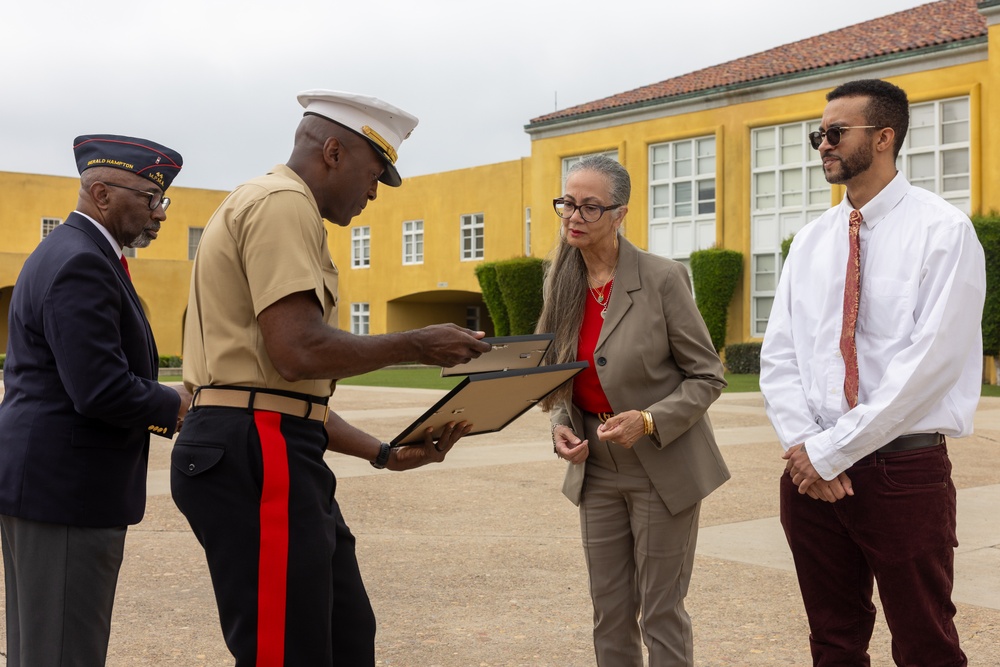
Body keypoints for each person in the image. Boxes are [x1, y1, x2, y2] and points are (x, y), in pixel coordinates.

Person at [172, 89, 492, 667]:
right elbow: (297, 352)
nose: (374, 191)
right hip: (257, 446)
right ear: (335, 152)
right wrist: (418, 344)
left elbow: (286, 390)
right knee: (285, 651)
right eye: (375, 174)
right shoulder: (281, 204)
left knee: (343, 635)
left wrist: (382, 453)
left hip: (267, 435)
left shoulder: (274, 205)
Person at [760, 79, 985, 666]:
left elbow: (928, 367)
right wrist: (808, 449)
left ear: (884, 137)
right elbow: (779, 357)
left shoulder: (944, 232)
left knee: (925, 642)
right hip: (810, 475)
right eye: (819, 134)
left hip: (903, 471)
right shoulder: (809, 243)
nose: (822, 146)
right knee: (832, 640)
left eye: (836, 133)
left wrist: (833, 450)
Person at [0, 134, 191, 666]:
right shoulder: (81, 261)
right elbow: (100, 388)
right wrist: (178, 406)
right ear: (101, 194)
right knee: (63, 651)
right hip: (65, 492)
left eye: (162, 201)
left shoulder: (74, 251)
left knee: (44, 647)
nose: (160, 214)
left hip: (49, 487)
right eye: (150, 198)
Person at [536, 154, 730, 666]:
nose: (574, 217)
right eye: (567, 204)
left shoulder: (663, 278)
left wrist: (647, 420)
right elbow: (556, 375)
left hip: (661, 468)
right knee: (610, 610)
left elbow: (707, 376)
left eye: (590, 207)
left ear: (620, 213)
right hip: (595, 469)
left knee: (661, 611)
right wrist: (560, 424)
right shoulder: (559, 281)